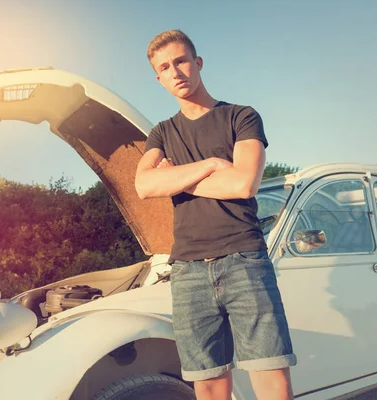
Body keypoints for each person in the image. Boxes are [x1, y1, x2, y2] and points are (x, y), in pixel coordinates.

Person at [135, 29, 296, 400]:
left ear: (197, 63)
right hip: (187, 269)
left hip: (244, 259)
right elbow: (144, 186)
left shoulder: (241, 116)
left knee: (271, 377)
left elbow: (243, 184)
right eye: (164, 67)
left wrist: (175, 179)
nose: (175, 71)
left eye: (180, 61)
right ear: (158, 78)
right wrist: (210, 164)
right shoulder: (161, 133)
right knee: (207, 384)